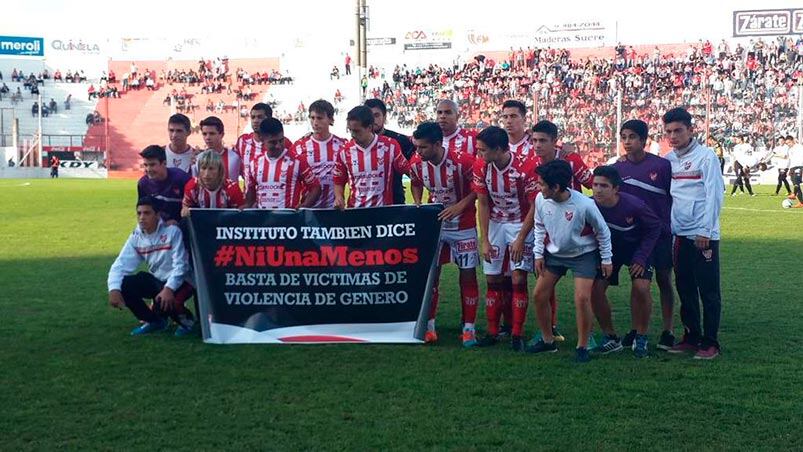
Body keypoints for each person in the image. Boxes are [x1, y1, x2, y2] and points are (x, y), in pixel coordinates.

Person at [526, 160, 612, 363]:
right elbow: (539, 226)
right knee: (539, 295)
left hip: (583, 254)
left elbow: (603, 232)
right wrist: (538, 254)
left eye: (542, 184)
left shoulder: (584, 205)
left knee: (582, 298)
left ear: (556, 187)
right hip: (555, 254)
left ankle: (582, 346)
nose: (538, 188)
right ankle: (548, 342)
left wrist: (606, 259)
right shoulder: (540, 199)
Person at [409, 122, 480, 346]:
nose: (418, 152)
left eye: (422, 148)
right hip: (435, 226)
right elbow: (416, 183)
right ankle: (429, 326)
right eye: (416, 147)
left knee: (467, 274)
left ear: (438, 144)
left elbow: (478, 188)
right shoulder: (417, 164)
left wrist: (461, 206)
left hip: (464, 226)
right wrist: (419, 201)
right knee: (432, 276)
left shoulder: (463, 161)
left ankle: (469, 328)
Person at [663, 107, 724, 360]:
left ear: (690, 130)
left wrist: (705, 230)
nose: (673, 135)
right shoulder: (668, 160)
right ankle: (691, 336)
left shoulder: (706, 157)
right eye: (669, 131)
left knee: (708, 290)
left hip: (703, 236)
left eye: (678, 130)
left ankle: (710, 343)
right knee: (685, 287)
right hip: (680, 235)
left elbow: (714, 195)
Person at [472, 126, 537, 351]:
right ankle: (492, 331)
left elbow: (534, 205)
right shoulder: (481, 166)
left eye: (482, 150)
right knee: (492, 279)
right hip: (496, 225)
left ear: (498, 150)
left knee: (518, 279)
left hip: (521, 224)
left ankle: (517, 334)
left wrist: (520, 238)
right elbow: (482, 202)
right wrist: (485, 240)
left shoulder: (526, 166)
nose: (479, 155)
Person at [613, 120, 677, 350]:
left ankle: (668, 329)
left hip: (660, 233)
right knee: (637, 282)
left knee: (663, 279)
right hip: (634, 236)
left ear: (643, 140)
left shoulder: (662, 166)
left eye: (632, 137)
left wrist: (668, 224)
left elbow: (674, 196)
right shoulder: (618, 169)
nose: (627, 142)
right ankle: (635, 328)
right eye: (624, 137)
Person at [530, 120, 594, 340]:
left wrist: (586, 213)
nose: (537, 146)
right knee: (542, 290)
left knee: (584, 294)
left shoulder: (571, 160)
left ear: (554, 142)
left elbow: (593, 184)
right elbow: (536, 203)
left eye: (542, 141)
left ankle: (587, 338)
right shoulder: (533, 163)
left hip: (578, 237)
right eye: (534, 140)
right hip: (551, 235)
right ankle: (548, 333)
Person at [590, 166, 660, 358]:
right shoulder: (588, 205)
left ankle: (641, 336)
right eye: (595, 185)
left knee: (641, 288)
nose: (598, 190)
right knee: (595, 289)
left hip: (637, 249)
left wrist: (641, 257)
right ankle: (611, 337)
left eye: (604, 186)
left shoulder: (634, 205)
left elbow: (654, 228)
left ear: (616, 189)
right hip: (609, 252)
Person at [107, 197, 195, 336]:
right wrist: (113, 289)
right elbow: (120, 264)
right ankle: (155, 321)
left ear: (158, 215)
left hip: (182, 281)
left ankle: (187, 322)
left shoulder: (172, 232)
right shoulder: (136, 237)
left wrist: (169, 289)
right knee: (123, 285)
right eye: (139, 213)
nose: (142, 218)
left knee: (172, 303)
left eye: (147, 213)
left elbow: (181, 265)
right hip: (157, 280)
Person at [333, 106, 411, 209]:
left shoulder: (390, 146)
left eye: (356, 131)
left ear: (369, 127)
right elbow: (338, 180)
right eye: (350, 130)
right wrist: (339, 197)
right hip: (355, 213)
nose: (352, 135)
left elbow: (409, 172)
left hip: (383, 214)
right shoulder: (344, 151)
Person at [243, 118, 321, 209]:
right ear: (262, 139)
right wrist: (248, 205)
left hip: (289, 221)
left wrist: (304, 205)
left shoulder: (297, 161)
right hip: (263, 221)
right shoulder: (254, 163)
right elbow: (251, 192)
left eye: (281, 140)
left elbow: (316, 187)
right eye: (273, 142)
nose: (278, 146)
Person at [293, 100, 346, 208]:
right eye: (312, 118)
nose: (315, 122)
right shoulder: (299, 147)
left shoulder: (342, 145)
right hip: (308, 211)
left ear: (330, 120)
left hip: (334, 211)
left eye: (320, 118)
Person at [364, 98, 415, 204]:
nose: (373, 119)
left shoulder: (400, 140)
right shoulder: (356, 144)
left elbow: (416, 171)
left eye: (377, 115)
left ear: (385, 116)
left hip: (395, 204)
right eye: (369, 116)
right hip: (365, 207)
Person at [137, 145, 192, 224]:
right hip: (158, 227)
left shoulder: (182, 179)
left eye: (152, 165)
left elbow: (194, 208)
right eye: (146, 165)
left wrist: (178, 222)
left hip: (184, 226)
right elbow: (143, 210)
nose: (148, 169)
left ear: (164, 163)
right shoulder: (143, 184)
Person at [234, 103, 293, 175]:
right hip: (250, 185)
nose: (255, 120)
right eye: (253, 117)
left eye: (260, 117)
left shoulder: (283, 142)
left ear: (269, 118)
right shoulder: (242, 141)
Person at [182, 150, 244, 215]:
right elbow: (186, 208)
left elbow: (239, 216)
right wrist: (185, 210)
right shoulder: (192, 187)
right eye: (203, 168)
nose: (206, 174)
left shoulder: (232, 188)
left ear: (220, 170)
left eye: (211, 169)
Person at [194, 116, 242, 182]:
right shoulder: (199, 158)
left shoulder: (235, 157)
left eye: (212, 133)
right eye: (204, 134)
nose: (207, 137)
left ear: (222, 134)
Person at [786, 136, 803, 207]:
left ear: (793, 140)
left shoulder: (800, 147)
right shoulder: (789, 150)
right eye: (787, 143)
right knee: (795, 184)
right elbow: (790, 160)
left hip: (799, 166)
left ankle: (794, 194)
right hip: (792, 168)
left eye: (789, 142)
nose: (788, 144)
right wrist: (788, 169)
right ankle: (801, 202)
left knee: (797, 181)